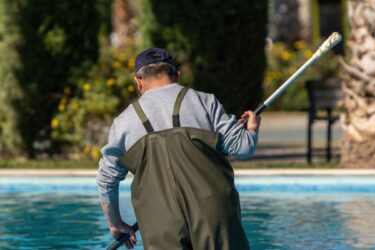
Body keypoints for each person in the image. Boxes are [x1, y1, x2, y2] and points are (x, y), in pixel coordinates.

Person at [97, 48, 261, 249]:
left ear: (138, 81)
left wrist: (115, 223)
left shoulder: (123, 123)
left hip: (158, 220)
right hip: (214, 212)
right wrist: (251, 129)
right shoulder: (205, 101)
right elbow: (242, 146)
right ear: (176, 76)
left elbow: (106, 180)